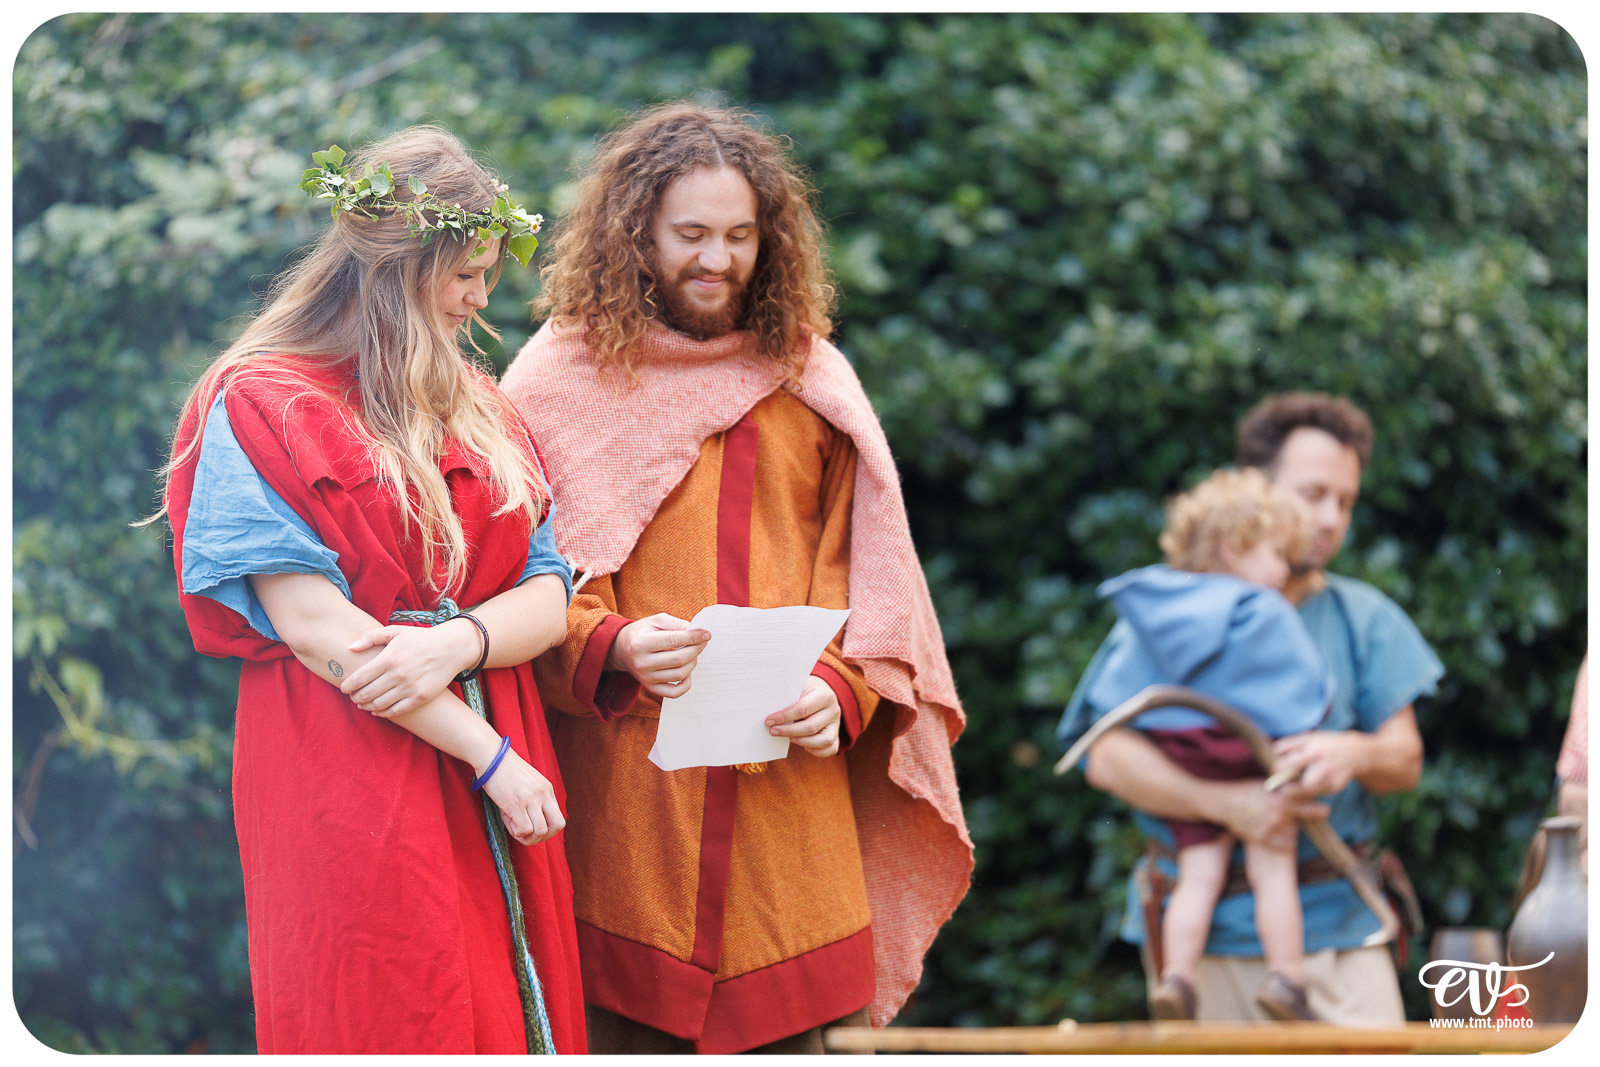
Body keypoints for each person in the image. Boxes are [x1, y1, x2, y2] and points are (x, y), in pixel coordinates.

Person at [499, 101, 973, 1054]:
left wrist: (836, 690)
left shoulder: (812, 377)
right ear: (637, 233)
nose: (716, 259)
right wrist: (613, 641)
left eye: (738, 236)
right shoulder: (556, 380)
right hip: (625, 828)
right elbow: (513, 569)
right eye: (690, 235)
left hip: (786, 843)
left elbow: (873, 587)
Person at [149, 127, 585, 1053]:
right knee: (384, 1001)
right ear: (396, 269)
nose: (481, 298)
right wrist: (489, 756)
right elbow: (315, 625)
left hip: (488, 718)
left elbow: (548, 593)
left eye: (488, 272)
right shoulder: (260, 401)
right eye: (464, 273)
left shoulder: (482, 403)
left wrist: (457, 642)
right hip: (351, 754)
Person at [1059, 392, 1443, 1025]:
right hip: (1202, 946)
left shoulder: (1362, 616)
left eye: (1345, 501)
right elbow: (1106, 758)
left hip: (1341, 935)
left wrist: (1350, 753)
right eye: (1313, 493)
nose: (1330, 518)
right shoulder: (1169, 617)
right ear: (1254, 493)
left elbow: (1404, 760)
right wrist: (1227, 805)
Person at [1071, 469, 1333, 1022]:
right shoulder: (1260, 609)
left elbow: (1116, 705)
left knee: (1199, 874)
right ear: (1236, 547)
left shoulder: (1156, 606)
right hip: (1244, 754)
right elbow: (1302, 689)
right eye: (1276, 554)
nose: (1284, 570)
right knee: (1273, 863)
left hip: (1181, 757)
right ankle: (1286, 979)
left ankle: (1178, 980)